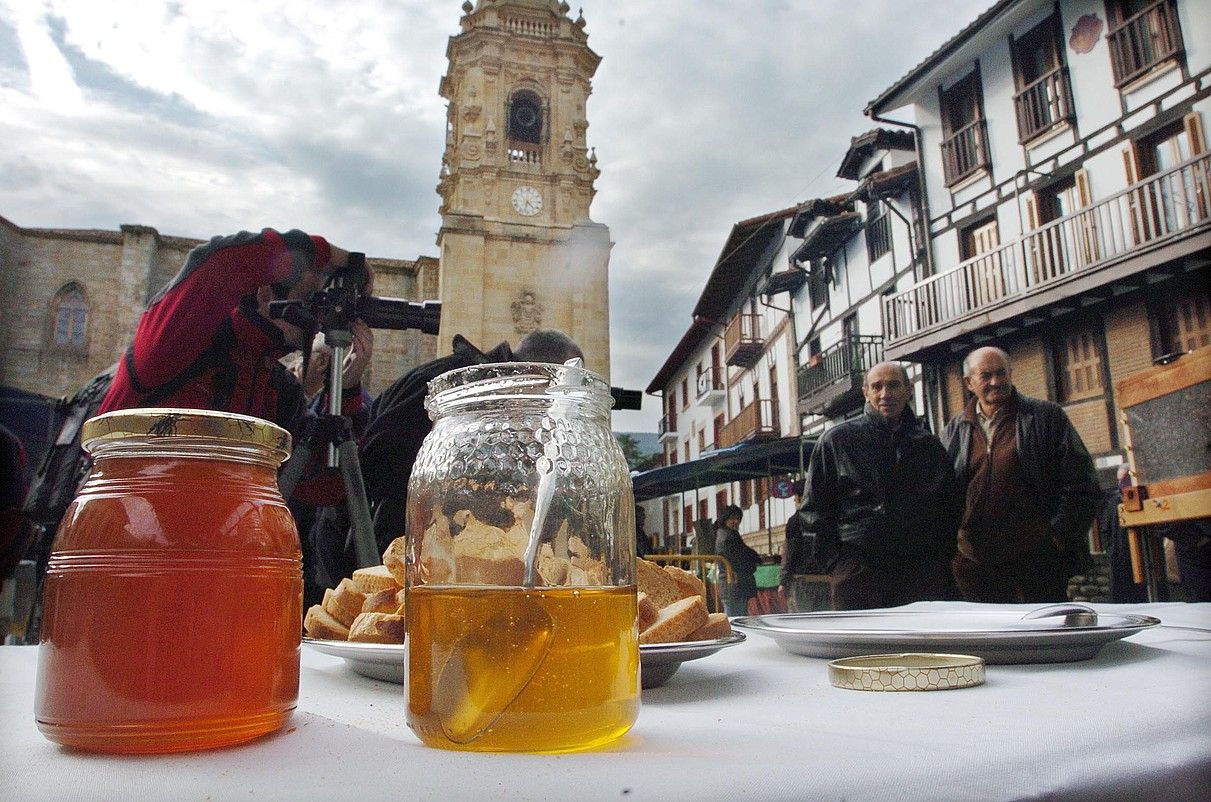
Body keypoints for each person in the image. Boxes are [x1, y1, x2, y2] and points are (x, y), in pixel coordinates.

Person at [99, 228, 373, 430]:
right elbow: (221, 261)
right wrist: (337, 258)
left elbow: (318, 487)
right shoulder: (178, 341)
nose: (317, 313)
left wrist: (346, 389)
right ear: (266, 296)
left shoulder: (276, 387)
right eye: (309, 297)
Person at [354, 329, 584, 561]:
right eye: (558, 395)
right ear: (536, 372)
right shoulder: (456, 385)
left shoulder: (482, 385)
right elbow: (376, 461)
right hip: (388, 554)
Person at [942, 346, 1100, 603]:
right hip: (974, 568)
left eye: (1001, 373)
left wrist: (1057, 539)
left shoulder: (1045, 417)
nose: (996, 382)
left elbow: (1082, 484)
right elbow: (945, 497)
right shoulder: (955, 429)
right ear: (969, 383)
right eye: (986, 376)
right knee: (987, 640)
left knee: (1043, 636)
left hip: (1037, 564)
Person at [800, 361, 961, 610]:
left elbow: (949, 507)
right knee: (861, 647)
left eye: (893, 385)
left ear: (908, 390)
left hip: (920, 575)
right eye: (877, 387)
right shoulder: (837, 441)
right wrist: (838, 564)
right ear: (866, 392)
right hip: (859, 574)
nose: (885, 394)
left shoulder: (928, 445)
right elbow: (814, 510)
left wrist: (939, 559)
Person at [1100, 464, 1147, 603]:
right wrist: (1110, 550)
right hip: (1119, 556)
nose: (1121, 483)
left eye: (1123, 479)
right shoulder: (1113, 502)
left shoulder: (1139, 497)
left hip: (1139, 556)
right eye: (1119, 480)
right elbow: (1105, 529)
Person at [715, 505, 759, 616]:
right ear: (725, 519)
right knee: (735, 618)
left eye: (738, 518)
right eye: (732, 518)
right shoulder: (728, 537)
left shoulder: (727, 534)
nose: (736, 521)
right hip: (734, 584)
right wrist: (754, 560)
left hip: (733, 584)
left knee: (735, 615)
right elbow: (739, 557)